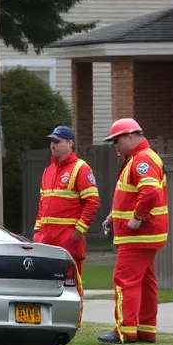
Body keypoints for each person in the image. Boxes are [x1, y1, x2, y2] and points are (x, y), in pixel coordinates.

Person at [99, 118, 168, 344]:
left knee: (124, 280)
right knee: (146, 282)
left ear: (130, 136)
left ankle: (125, 330)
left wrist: (137, 219)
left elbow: (149, 193)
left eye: (116, 141)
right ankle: (146, 329)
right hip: (146, 234)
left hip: (138, 235)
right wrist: (114, 217)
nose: (115, 147)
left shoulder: (142, 159)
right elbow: (133, 195)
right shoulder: (141, 158)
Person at [33, 125, 99, 318]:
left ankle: (74, 321)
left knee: (72, 285)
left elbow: (92, 201)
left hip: (68, 239)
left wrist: (79, 230)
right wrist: (37, 232)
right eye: (51, 141)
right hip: (46, 240)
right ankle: (49, 321)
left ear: (70, 143)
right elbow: (42, 204)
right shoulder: (48, 171)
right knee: (46, 284)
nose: (52, 145)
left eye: (57, 141)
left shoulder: (81, 168)